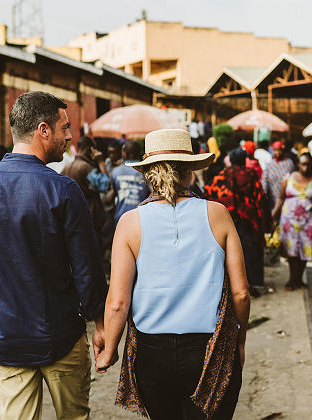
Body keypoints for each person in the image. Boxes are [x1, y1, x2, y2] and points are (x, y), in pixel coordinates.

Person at [0, 91, 107, 419]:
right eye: (65, 128)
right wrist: (101, 324)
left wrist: (1, 295)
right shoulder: (63, 189)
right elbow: (88, 270)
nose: (69, 136)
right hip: (61, 335)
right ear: (44, 130)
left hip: (5, 335)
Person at [94, 129, 249, 420]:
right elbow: (240, 293)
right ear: (190, 171)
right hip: (210, 349)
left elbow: (117, 301)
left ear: (148, 174)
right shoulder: (218, 214)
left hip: (152, 353)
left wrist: (110, 349)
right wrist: (240, 339)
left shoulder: (129, 223)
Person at [205, 147, 267, 297]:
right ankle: (253, 283)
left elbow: (210, 193)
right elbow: (259, 197)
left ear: (231, 160)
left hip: (228, 219)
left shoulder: (222, 175)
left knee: (231, 253)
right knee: (251, 251)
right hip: (249, 219)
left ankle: (234, 285)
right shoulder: (250, 174)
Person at [273, 153, 312, 290]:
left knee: (304, 250)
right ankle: (291, 279)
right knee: (291, 251)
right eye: (303, 164)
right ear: (298, 164)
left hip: (308, 222)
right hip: (289, 222)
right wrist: (273, 214)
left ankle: (300, 279)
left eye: (308, 164)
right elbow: (281, 198)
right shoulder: (288, 178)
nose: (305, 167)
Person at [62, 136, 110, 243]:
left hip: (73, 216)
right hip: (90, 216)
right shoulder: (86, 167)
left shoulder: (67, 167)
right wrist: (101, 162)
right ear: (90, 149)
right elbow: (106, 185)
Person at [111, 140, 150, 225]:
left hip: (121, 218)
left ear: (125, 154)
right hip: (141, 218)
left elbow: (114, 192)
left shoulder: (116, 172)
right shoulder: (146, 172)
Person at [261, 141, 295, 212]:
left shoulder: (289, 163)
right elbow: (264, 181)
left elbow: (294, 178)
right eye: (275, 150)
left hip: (287, 199)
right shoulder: (269, 165)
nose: (278, 153)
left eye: (279, 150)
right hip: (273, 199)